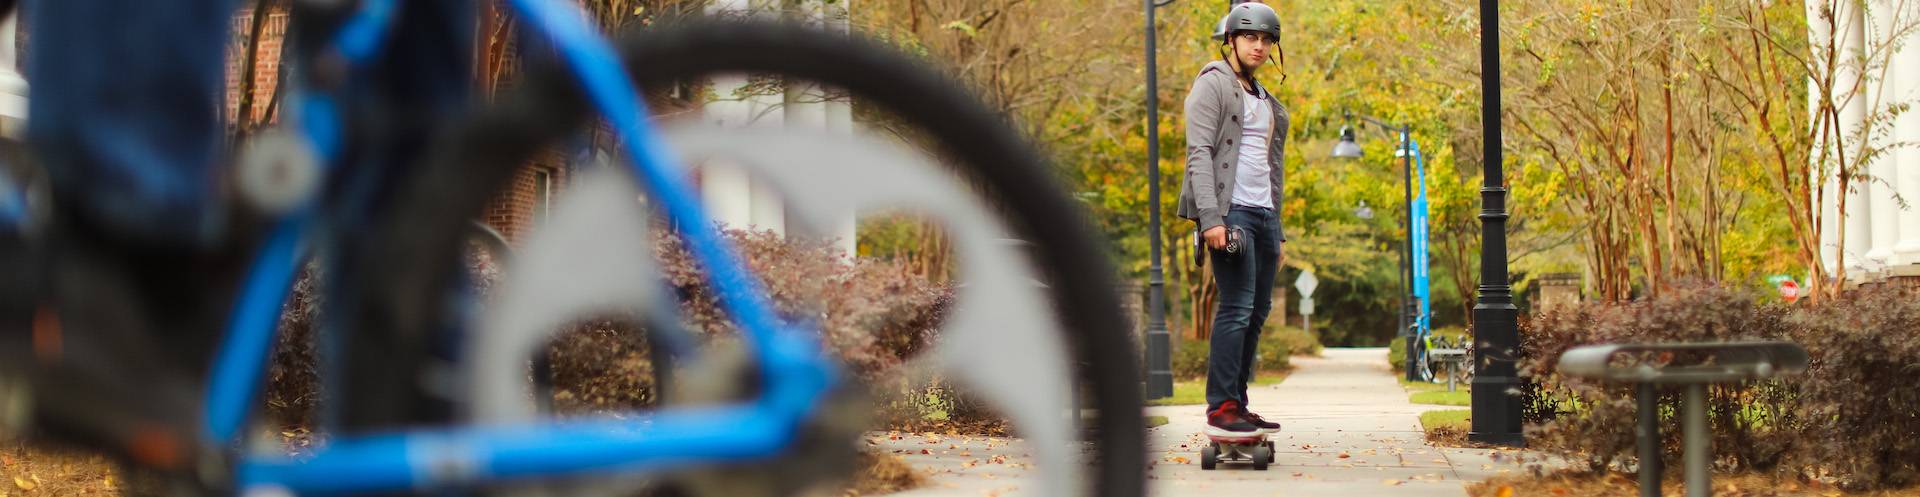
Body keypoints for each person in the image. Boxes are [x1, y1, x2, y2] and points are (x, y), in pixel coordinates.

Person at [1176, 1, 1290, 438]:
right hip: (1231, 212)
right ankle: (1221, 406)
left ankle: (1238, 403)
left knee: (1258, 311)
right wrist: (1211, 219)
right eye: (1250, 38)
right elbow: (1199, 152)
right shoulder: (1214, 83)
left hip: (1262, 215)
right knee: (1237, 308)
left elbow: (1271, 170)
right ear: (1231, 40)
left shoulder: (1265, 98)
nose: (1259, 47)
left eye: (1266, 40)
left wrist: (1277, 232)